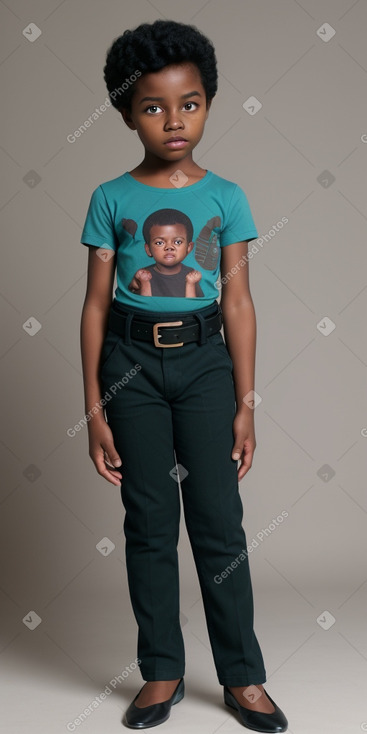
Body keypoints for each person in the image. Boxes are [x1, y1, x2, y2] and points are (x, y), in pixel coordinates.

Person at [79, 18, 288, 732]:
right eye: (153, 106)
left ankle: (242, 676)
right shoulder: (110, 198)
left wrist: (246, 402)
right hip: (128, 366)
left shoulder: (226, 197)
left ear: (209, 101)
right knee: (147, 524)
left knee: (218, 526)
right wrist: (94, 407)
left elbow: (237, 300)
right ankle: (161, 671)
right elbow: (94, 305)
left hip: (204, 365)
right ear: (126, 111)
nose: (174, 120)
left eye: (189, 102)